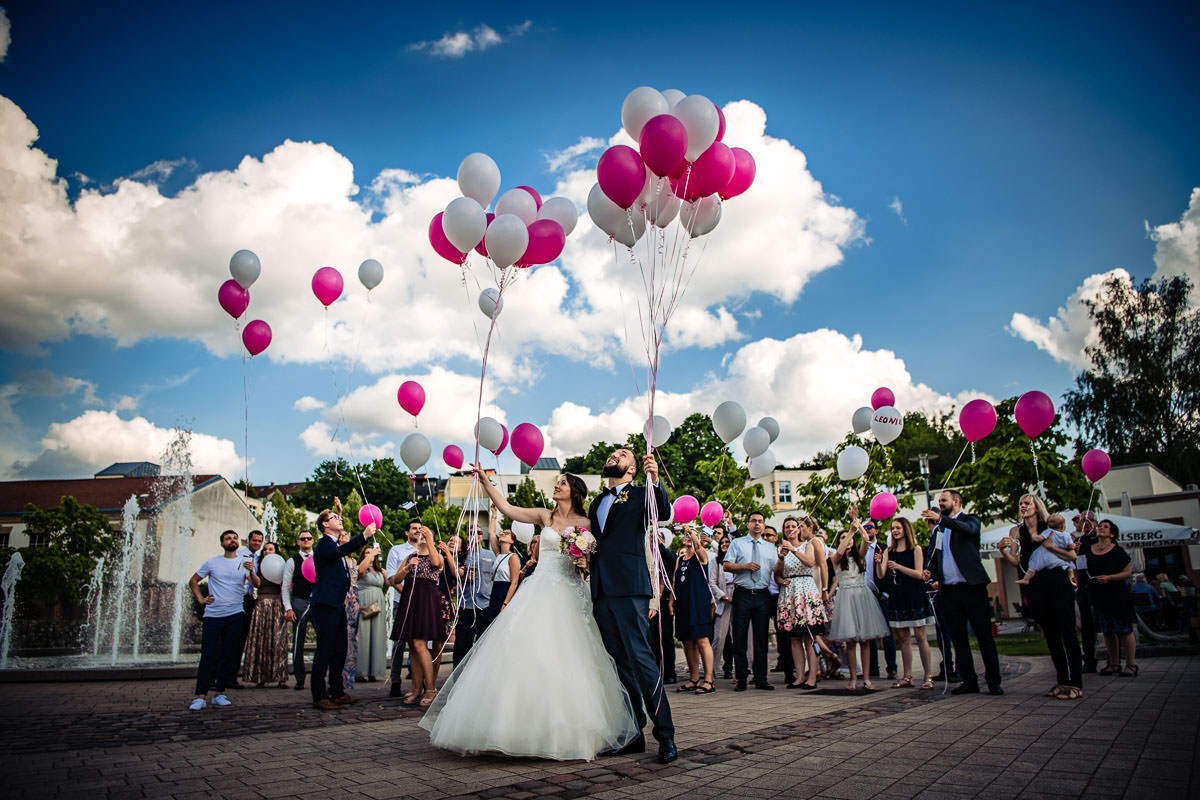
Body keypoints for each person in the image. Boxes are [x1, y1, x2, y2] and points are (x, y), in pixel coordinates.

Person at [420, 465, 643, 762]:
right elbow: (507, 508)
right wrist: (486, 482)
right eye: (557, 482)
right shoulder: (544, 516)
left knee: (573, 657)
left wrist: (584, 560)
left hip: (571, 591)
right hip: (539, 589)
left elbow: (596, 560)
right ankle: (512, 728)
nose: (557, 486)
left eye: (562, 483)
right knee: (527, 653)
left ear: (574, 491)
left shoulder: (588, 523)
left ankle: (569, 730)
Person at [922, 490, 1002, 696]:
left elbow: (969, 530)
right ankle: (969, 680)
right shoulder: (940, 529)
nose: (939, 504)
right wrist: (931, 570)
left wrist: (942, 520)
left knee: (984, 635)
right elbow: (937, 553)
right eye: (939, 501)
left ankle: (994, 681)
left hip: (972, 587)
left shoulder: (970, 519)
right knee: (958, 637)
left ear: (956, 501)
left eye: (943, 500)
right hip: (950, 590)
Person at [1000, 511, 1083, 699]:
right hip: (1036, 586)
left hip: (1057, 580)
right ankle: (1062, 680)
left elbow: (1072, 556)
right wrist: (1002, 551)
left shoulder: (1051, 528)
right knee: (1051, 635)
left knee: (1068, 633)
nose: (1022, 506)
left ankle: (1076, 683)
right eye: (1020, 503)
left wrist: (1049, 548)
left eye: (1027, 503)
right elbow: (1016, 561)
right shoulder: (1017, 531)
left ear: (1036, 507)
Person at [309, 502, 372, 710]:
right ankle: (319, 695)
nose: (340, 519)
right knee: (324, 650)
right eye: (335, 517)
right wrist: (363, 537)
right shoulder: (324, 544)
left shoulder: (334, 545)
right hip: (324, 604)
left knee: (339, 649)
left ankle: (337, 691)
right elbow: (341, 550)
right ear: (325, 524)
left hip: (337, 604)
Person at [188, 530, 259, 710]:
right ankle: (200, 696)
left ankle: (220, 693)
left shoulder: (244, 563)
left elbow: (256, 584)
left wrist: (251, 572)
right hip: (213, 615)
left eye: (235, 538)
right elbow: (194, 581)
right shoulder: (213, 562)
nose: (232, 540)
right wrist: (200, 599)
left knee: (228, 655)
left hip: (235, 615)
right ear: (222, 543)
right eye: (228, 538)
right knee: (208, 655)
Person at [828, 513, 890, 692]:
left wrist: (858, 524)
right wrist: (849, 531)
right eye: (843, 539)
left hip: (861, 597)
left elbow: (866, 539)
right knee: (851, 641)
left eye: (849, 540)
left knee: (865, 641)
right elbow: (839, 552)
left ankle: (867, 678)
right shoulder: (837, 560)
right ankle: (853, 678)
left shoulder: (860, 557)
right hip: (846, 598)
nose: (848, 542)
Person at [391, 524, 446, 707]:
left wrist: (429, 539)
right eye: (418, 533)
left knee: (420, 644)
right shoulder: (410, 557)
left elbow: (437, 564)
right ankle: (415, 687)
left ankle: (430, 688)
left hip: (427, 600)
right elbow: (394, 580)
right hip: (410, 599)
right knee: (412, 646)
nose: (420, 534)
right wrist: (407, 568)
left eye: (424, 533)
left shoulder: (435, 555)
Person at [877, 517, 935, 689]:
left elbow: (919, 574)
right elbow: (881, 575)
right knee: (903, 638)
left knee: (920, 635)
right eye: (893, 528)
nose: (895, 531)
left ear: (906, 530)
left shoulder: (915, 549)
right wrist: (880, 562)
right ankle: (907, 675)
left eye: (898, 528)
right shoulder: (889, 550)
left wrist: (899, 567)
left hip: (914, 593)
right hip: (898, 594)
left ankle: (928, 675)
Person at [726, 511, 778, 691]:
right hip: (743, 593)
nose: (757, 524)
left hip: (763, 594)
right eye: (754, 521)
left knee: (761, 638)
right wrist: (745, 566)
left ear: (764, 525)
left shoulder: (770, 548)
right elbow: (727, 565)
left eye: (760, 521)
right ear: (748, 524)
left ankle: (761, 678)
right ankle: (741, 678)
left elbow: (776, 570)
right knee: (739, 637)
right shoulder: (737, 543)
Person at [774, 516, 825, 689]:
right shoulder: (780, 549)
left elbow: (811, 562)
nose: (790, 529)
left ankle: (812, 676)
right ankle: (800, 676)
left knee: (809, 637)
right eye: (787, 526)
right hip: (789, 593)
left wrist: (794, 550)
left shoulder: (807, 545)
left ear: (799, 529)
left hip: (806, 590)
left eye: (793, 526)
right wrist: (781, 557)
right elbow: (777, 575)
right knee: (795, 638)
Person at [1086, 520, 1137, 677]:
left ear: (1112, 534)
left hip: (1117, 594)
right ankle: (1113, 663)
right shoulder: (1089, 549)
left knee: (1124, 629)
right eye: (1100, 526)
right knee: (1107, 630)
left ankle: (1131, 664)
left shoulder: (1117, 551)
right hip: (1099, 594)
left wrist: (1110, 577)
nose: (1101, 528)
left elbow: (1128, 572)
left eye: (1105, 527)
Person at [671, 526, 715, 694]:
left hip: (698, 602)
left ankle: (709, 680)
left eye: (691, 536)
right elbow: (675, 581)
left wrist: (694, 535)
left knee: (702, 640)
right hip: (683, 604)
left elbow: (699, 549)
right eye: (686, 535)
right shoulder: (680, 558)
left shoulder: (701, 555)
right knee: (687, 641)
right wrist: (671, 603)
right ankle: (694, 678)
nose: (688, 537)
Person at [241, 540, 289, 688]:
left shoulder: (282, 566)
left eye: (270, 549)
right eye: (265, 549)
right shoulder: (258, 566)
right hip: (261, 604)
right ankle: (260, 677)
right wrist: (252, 572)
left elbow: (286, 584)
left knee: (279, 640)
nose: (267, 551)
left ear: (276, 552)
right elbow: (257, 584)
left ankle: (281, 677)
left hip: (277, 604)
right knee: (261, 640)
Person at [385, 519, 420, 697]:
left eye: (420, 529)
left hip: (421, 604)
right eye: (414, 528)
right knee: (399, 642)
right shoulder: (397, 550)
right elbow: (391, 577)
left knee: (419, 643)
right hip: (402, 601)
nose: (417, 531)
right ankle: (395, 680)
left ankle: (417, 680)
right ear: (407, 532)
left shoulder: (427, 551)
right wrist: (407, 594)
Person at [861, 519, 897, 681]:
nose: (867, 530)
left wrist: (887, 593)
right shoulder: (858, 550)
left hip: (881, 595)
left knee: (886, 633)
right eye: (864, 527)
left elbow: (890, 573)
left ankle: (892, 668)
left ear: (876, 531)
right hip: (865, 595)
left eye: (870, 527)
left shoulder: (884, 548)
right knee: (869, 634)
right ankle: (873, 668)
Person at [229, 529, 264, 688]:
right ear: (248, 541)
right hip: (238, 598)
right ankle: (225, 676)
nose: (257, 543)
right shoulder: (243, 555)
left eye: (259, 541)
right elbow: (245, 579)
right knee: (233, 639)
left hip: (248, 599)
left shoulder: (257, 557)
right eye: (254, 540)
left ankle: (231, 675)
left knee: (240, 639)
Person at [282, 529, 315, 690]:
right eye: (303, 539)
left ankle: (320, 674)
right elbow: (286, 586)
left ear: (313, 540)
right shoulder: (292, 561)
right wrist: (288, 608)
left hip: (317, 601)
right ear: (298, 542)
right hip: (299, 602)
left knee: (324, 638)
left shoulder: (319, 558)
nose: (306, 541)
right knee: (298, 641)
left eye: (309, 538)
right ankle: (300, 677)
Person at [484, 505, 521, 629]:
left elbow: (514, 582)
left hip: (505, 592)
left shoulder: (513, 557)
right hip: (495, 591)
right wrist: (494, 514)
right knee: (491, 625)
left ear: (512, 541)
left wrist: (506, 603)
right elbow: (491, 532)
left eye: (507, 533)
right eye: (503, 532)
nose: (503, 533)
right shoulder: (498, 554)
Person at [1071, 512, 1100, 672]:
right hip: (1084, 588)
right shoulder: (1079, 542)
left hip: (1101, 588)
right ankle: (1089, 659)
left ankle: (1114, 659)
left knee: (1104, 624)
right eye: (1083, 521)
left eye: (1090, 520)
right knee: (1086, 626)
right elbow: (1074, 563)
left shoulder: (1102, 539)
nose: (1086, 523)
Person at [355, 540, 388, 682]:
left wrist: (386, 575)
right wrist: (370, 556)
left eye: (371, 552)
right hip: (365, 603)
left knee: (377, 636)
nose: (370, 555)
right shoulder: (361, 568)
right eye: (366, 553)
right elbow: (359, 572)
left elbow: (388, 584)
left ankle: (373, 670)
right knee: (364, 637)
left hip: (378, 605)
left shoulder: (378, 570)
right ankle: (360, 671)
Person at [649, 530, 679, 684]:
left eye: (658, 537)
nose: (653, 539)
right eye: (652, 537)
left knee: (665, 638)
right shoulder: (647, 554)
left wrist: (659, 545)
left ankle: (669, 672)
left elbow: (672, 566)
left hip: (665, 601)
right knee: (651, 638)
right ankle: (655, 671)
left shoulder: (669, 555)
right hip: (649, 600)